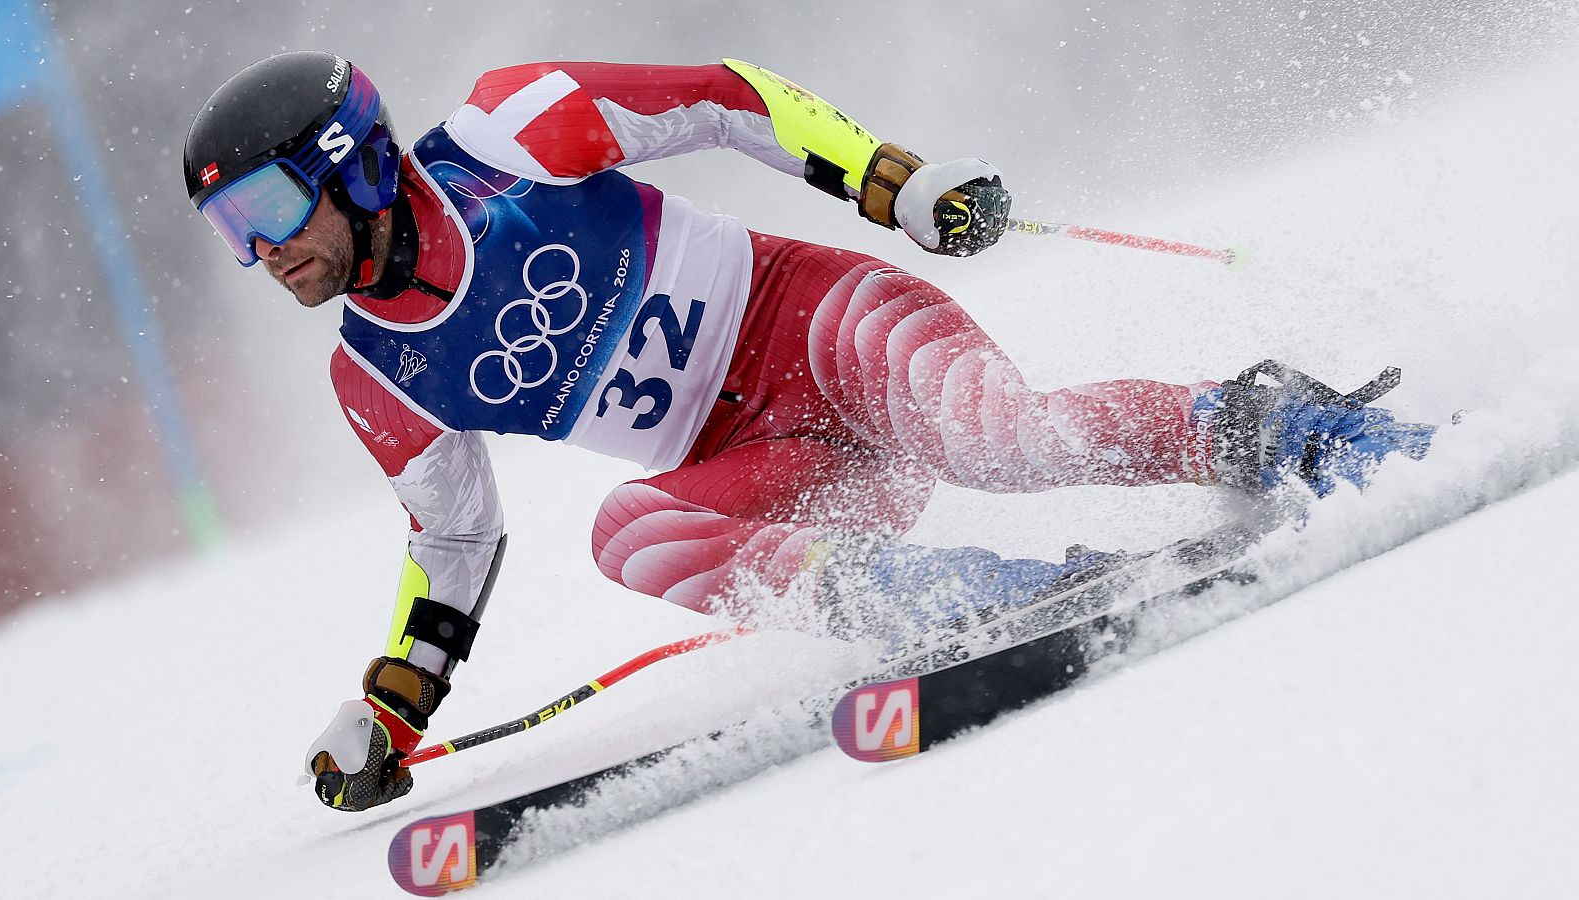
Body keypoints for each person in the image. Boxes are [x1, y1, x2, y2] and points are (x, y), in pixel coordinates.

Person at [183, 52, 1432, 812]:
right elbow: (453, 542)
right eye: (230, 234)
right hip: (787, 468)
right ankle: (958, 595)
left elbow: (726, 101)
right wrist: (391, 710)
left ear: (344, 163)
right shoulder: (374, 377)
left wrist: (894, 182)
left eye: (265, 208)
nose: (259, 253)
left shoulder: (510, 134)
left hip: (820, 323)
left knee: (1000, 440)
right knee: (628, 531)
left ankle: (1279, 424)